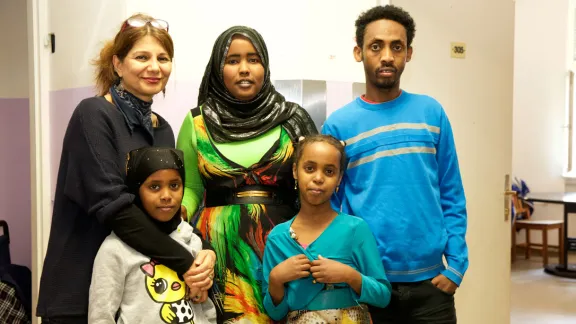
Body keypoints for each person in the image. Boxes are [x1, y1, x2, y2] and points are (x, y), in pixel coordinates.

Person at [37, 14, 215, 324]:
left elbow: (164, 209)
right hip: (81, 288)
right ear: (118, 64)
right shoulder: (93, 115)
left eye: (163, 58)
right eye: (142, 57)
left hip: (138, 296)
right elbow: (116, 208)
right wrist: (186, 263)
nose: (154, 66)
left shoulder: (162, 129)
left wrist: (205, 250)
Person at [321, 5, 468, 323]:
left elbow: (451, 192)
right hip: (366, 285)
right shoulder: (338, 126)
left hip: (431, 289)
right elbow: (328, 206)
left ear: (409, 53)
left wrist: (456, 264)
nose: (386, 56)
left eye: (396, 46)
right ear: (359, 52)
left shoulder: (431, 113)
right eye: (376, 46)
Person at [176, 26, 317, 323]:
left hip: (284, 250)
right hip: (217, 255)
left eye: (253, 60)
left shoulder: (294, 119)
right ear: (218, 68)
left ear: (265, 66)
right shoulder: (197, 121)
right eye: (232, 60)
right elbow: (189, 188)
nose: (244, 69)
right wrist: (173, 213)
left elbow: (316, 186)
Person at [262, 135, 391, 323]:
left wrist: (350, 276)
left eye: (329, 171)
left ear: (339, 178)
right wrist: (275, 279)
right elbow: (275, 313)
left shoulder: (355, 229)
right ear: (295, 171)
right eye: (309, 168)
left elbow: (383, 296)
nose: (318, 178)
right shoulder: (278, 238)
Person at [89, 147, 217, 324]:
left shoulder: (193, 241)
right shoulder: (115, 249)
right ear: (136, 190)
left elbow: (205, 309)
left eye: (174, 185)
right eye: (154, 187)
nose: (166, 196)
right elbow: (101, 316)